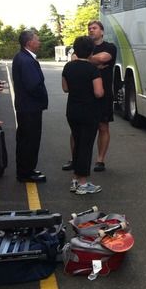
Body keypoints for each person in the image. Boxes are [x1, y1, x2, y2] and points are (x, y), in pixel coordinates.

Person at [62, 20, 117, 172]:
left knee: (103, 126)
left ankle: (100, 160)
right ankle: (75, 159)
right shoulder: (83, 46)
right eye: (89, 28)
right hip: (83, 96)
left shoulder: (110, 47)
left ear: (102, 31)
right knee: (77, 130)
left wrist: (84, 59)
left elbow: (103, 58)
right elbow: (78, 59)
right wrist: (93, 62)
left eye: (94, 28)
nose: (91, 30)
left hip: (103, 94)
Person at [62, 36, 104, 194]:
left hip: (72, 110)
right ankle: (83, 183)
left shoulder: (68, 67)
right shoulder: (93, 69)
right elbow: (98, 92)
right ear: (91, 51)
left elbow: (65, 88)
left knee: (78, 143)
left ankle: (75, 179)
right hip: (89, 111)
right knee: (86, 146)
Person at [11, 30, 48, 182]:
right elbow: (33, 85)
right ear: (29, 43)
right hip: (30, 108)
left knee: (25, 139)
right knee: (30, 140)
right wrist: (42, 97)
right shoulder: (26, 60)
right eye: (37, 40)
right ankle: (26, 173)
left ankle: (26, 169)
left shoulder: (21, 57)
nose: (39, 42)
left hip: (25, 106)